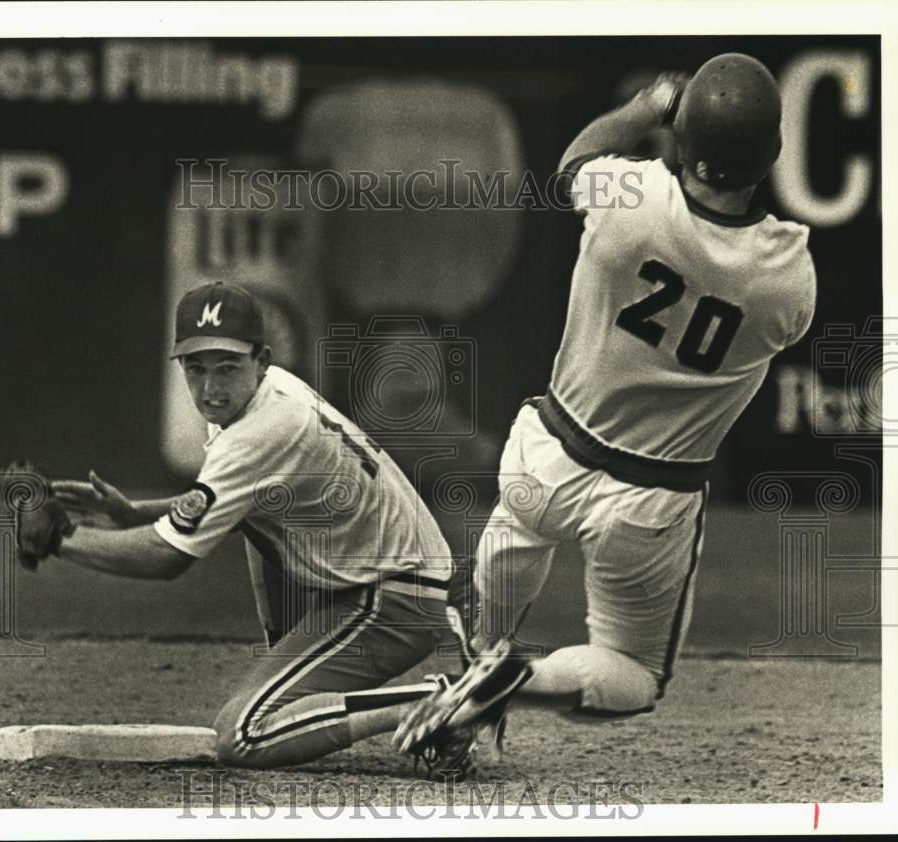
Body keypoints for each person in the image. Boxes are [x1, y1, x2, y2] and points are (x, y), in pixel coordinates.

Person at [395, 53, 817, 758]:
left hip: (549, 453)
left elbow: (575, 158)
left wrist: (653, 103)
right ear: (772, 153)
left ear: (684, 142)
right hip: (649, 500)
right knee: (632, 673)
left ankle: (479, 669)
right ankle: (518, 679)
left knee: (489, 592)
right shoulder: (787, 277)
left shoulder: (631, 199)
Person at [43, 281, 471, 774]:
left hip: (394, 599)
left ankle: (437, 702)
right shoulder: (266, 395)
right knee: (255, 518)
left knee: (243, 735)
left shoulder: (261, 430)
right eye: (195, 368)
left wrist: (61, 539)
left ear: (262, 359)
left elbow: (168, 559)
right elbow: (226, 502)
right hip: (388, 575)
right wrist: (135, 514)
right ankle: (299, 683)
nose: (210, 387)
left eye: (227, 367)